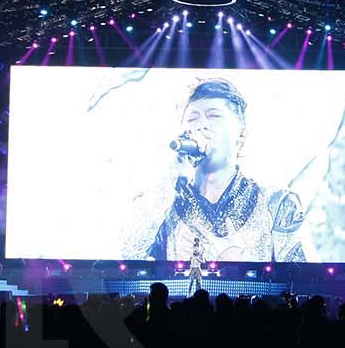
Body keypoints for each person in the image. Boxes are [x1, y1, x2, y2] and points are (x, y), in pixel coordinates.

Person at [119, 77, 309, 263]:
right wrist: (172, 175)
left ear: (241, 133)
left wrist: (243, 264)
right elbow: (129, 255)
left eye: (214, 116)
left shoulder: (277, 203)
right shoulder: (162, 203)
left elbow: (302, 278)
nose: (201, 125)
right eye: (193, 118)